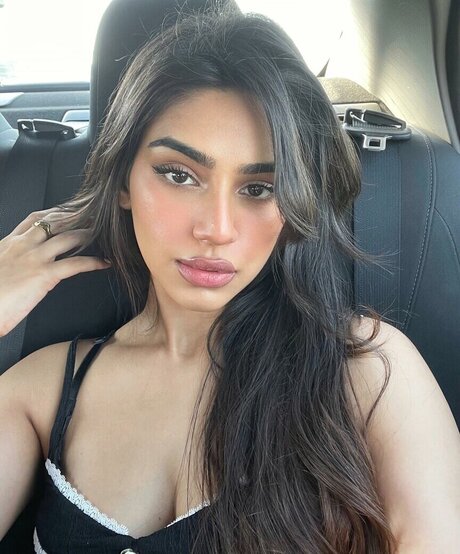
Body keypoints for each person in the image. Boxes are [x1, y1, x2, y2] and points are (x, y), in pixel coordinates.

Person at [1, 5, 459, 554]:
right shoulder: (45, 390)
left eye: (259, 188)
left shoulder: (366, 370)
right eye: (179, 175)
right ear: (122, 180)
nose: (217, 229)